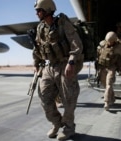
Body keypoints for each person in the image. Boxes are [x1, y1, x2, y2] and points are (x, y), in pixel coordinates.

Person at [33, 0, 83, 140]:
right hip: (50, 66)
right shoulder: (40, 28)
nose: (37, 13)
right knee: (45, 97)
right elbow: (37, 47)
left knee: (69, 98)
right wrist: (36, 63)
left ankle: (68, 127)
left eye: (40, 10)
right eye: (37, 11)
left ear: (48, 9)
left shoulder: (63, 24)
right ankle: (56, 123)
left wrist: (71, 61)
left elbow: (76, 44)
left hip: (65, 64)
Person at [96, 31, 121, 111]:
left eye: (111, 41)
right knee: (105, 85)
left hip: (111, 67)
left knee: (109, 84)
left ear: (114, 40)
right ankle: (112, 98)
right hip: (102, 67)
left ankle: (106, 102)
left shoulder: (119, 48)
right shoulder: (102, 44)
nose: (109, 43)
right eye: (108, 41)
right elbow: (98, 55)